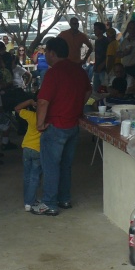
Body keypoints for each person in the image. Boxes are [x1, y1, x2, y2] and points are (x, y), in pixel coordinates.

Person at [31, 37, 91, 216]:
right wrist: (77, 106)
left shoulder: (53, 73)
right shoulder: (78, 70)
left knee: (50, 166)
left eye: (46, 52)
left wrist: (40, 124)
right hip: (73, 124)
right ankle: (64, 198)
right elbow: (88, 91)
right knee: (65, 165)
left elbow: (42, 101)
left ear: (52, 53)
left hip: (55, 125)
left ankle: (49, 203)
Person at [16, 97, 42, 212]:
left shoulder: (31, 115)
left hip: (26, 148)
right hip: (38, 150)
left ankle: (28, 200)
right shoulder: (48, 119)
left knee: (27, 176)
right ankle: (29, 202)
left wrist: (30, 102)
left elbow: (17, 108)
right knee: (35, 177)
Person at [92, 22, 110, 92]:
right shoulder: (96, 41)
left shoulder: (105, 41)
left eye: (96, 29)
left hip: (103, 68)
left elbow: (108, 55)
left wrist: (103, 64)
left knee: (104, 88)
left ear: (101, 30)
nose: (94, 31)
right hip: (97, 67)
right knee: (95, 89)